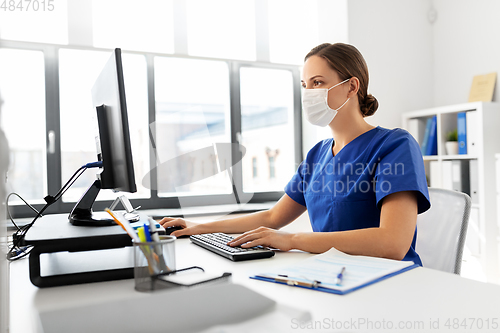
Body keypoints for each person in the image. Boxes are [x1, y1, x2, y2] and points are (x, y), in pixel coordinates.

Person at [160, 43, 430, 265]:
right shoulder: (317, 155)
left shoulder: (394, 145)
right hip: (334, 273)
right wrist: (200, 226)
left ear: (351, 86)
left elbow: (393, 243)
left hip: (390, 281)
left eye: (318, 82)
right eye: (305, 85)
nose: (309, 93)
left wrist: (292, 240)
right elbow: (273, 218)